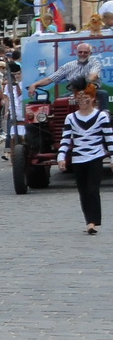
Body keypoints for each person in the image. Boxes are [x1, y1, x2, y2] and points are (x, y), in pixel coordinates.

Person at [55, 85, 112, 234]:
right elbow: (66, 139)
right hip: (78, 158)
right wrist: (61, 157)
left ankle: (93, 222)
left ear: (93, 98)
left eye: (85, 98)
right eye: (79, 99)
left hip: (95, 156)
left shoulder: (101, 116)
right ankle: (89, 220)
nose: (82, 101)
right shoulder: (71, 118)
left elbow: (109, 139)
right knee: (83, 191)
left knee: (93, 189)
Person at [29, 41, 101, 103]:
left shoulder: (94, 63)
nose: (82, 54)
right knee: (59, 102)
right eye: (80, 52)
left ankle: (103, 115)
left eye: (85, 52)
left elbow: (93, 75)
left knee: (102, 94)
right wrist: (35, 85)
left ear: (90, 53)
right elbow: (50, 79)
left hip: (90, 91)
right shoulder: (68, 66)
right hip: (73, 92)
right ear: (77, 53)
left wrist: (83, 83)